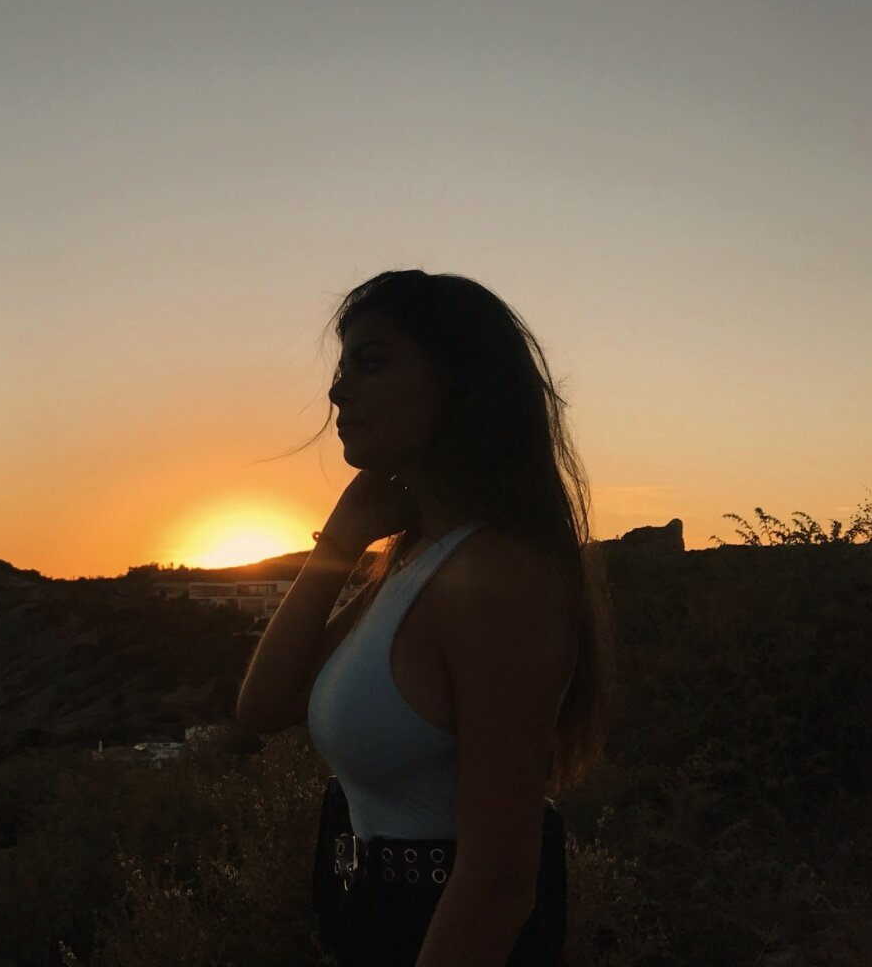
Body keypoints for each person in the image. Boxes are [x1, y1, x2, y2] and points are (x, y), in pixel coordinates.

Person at [235, 269, 616, 966]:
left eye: (371, 363)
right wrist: (341, 541)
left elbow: (497, 886)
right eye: (343, 368)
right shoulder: (418, 563)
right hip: (371, 923)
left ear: (461, 382)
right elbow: (265, 705)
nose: (338, 391)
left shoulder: (498, 578)